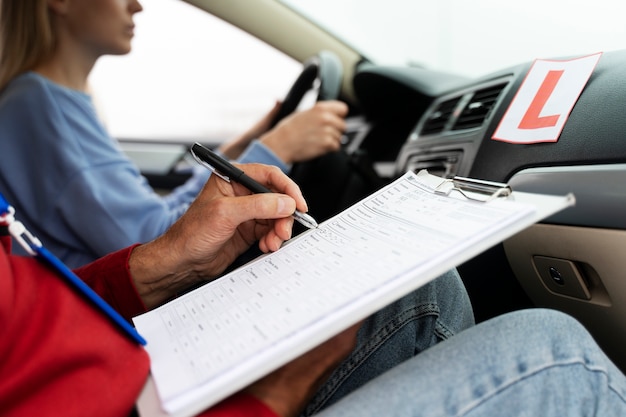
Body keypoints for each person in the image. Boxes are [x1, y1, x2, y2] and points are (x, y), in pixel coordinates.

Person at [2, 162, 625, 417]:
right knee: (557, 355)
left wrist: (161, 265)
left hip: (128, 385)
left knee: (418, 288)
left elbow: (26, 322)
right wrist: (273, 391)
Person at [0, 0, 348, 268]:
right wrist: (278, 146)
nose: (137, 5)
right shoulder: (42, 107)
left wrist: (242, 148)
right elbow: (155, 245)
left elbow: (152, 215)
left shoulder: (48, 101)